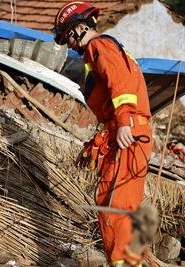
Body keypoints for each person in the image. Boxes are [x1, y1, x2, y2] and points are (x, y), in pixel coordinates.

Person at [52, 2, 154, 266]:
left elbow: (121, 83)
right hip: (131, 130)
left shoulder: (100, 46)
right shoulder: (108, 48)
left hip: (129, 131)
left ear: (80, 28)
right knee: (126, 206)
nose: (70, 46)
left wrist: (123, 122)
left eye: (68, 38)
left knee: (113, 204)